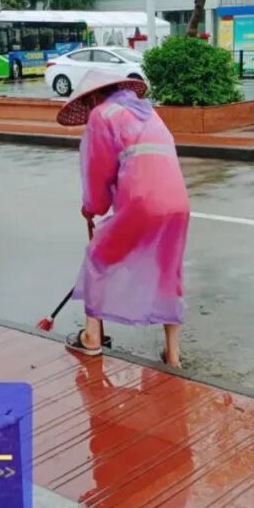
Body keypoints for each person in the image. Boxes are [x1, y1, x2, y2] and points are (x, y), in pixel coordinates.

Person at [57, 69, 190, 367]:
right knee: (168, 273)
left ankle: (91, 338)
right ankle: (173, 355)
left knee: (98, 256)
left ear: (94, 97)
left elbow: (97, 171)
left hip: (143, 202)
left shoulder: (101, 115)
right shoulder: (149, 113)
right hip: (178, 203)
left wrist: (91, 207)